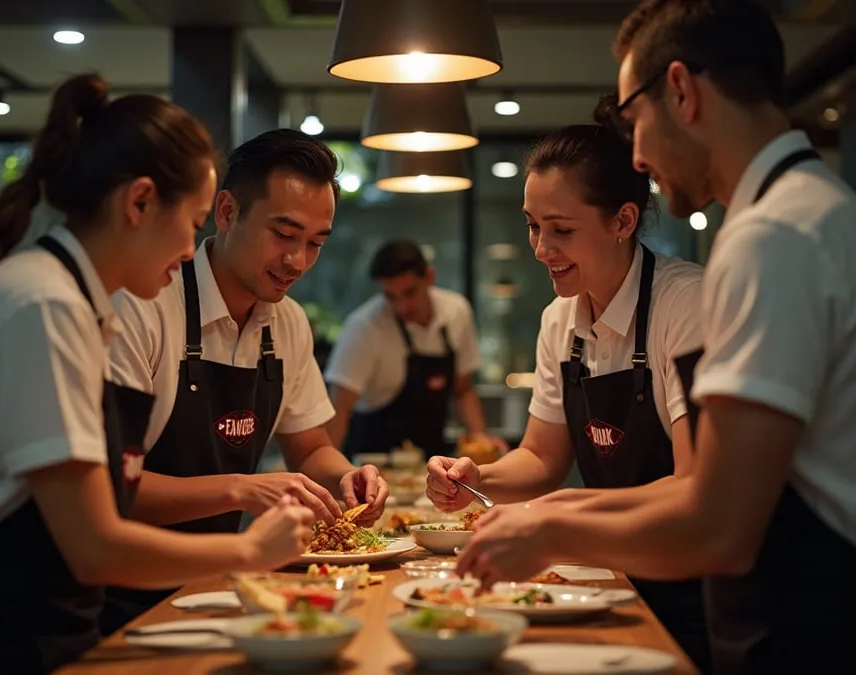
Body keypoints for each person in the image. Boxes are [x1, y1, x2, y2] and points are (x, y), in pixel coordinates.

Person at [456, 2, 856, 674]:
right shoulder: (816, 210)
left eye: (633, 118)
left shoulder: (771, 238)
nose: (636, 153)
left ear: (681, 90)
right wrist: (552, 506)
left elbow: (719, 525)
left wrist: (553, 524)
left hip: (803, 631)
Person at [0, 74, 315, 675]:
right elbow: (95, 544)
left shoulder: (76, 301)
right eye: (195, 220)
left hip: (56, 626)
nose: (190, 247)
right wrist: (251, 550)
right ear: (140, 202)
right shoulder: (43, 306)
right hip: (3, 638)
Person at [425, 99, 709, 670]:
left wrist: (559, 518)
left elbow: (693, 483)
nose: (540, 249)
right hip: (612, 577)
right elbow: (540, 456)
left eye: (561, 230)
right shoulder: (560, 320)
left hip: (696, 583)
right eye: (532, 226)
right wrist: (481, 477)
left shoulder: (689, 306)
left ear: (623, 221)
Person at [100, 129, 389, 633]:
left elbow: (310, 445)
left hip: (218, 584)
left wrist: (345, 476)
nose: (297, 261)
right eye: (284, 235)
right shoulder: (146, 305)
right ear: (228, 211)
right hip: (120, 593)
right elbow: (110, 492)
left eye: (315, 243)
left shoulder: (289, 322)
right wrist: (240, 489)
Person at [325, 240, 497, 462]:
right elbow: (340, 406)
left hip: (432, 460)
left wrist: (480, 440)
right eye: (391, 296)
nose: (402, 306)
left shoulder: (456, 312)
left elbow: (463, 390)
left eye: (409, 293)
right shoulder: (364, 327)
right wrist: (326, 475)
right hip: (373, 461)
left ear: (429, 277)